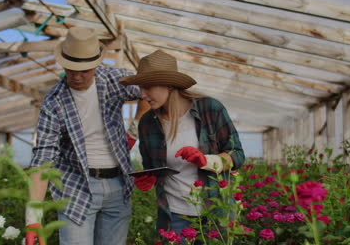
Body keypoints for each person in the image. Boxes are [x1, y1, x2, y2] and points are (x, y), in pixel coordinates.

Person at [25, 26, 148, 245]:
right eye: (71, 69)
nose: (77, 76)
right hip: (75, 187)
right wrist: (33, 218)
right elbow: (43, 159)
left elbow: (151, 89)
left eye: (85, 70)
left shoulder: (113, 80)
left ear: (96, 64)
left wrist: (134, 130)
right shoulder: (54, 102)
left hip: (118, 184)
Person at [119, 50, 245, 238]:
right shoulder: (147, 123)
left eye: (148, 87)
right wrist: (148, 178)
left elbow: (237, 154)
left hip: (215, 212)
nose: (142, 95)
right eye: (141, 88)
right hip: (173, 215)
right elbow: (151, 168)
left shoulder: (210, 109)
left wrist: (207, 161)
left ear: (168, 85)